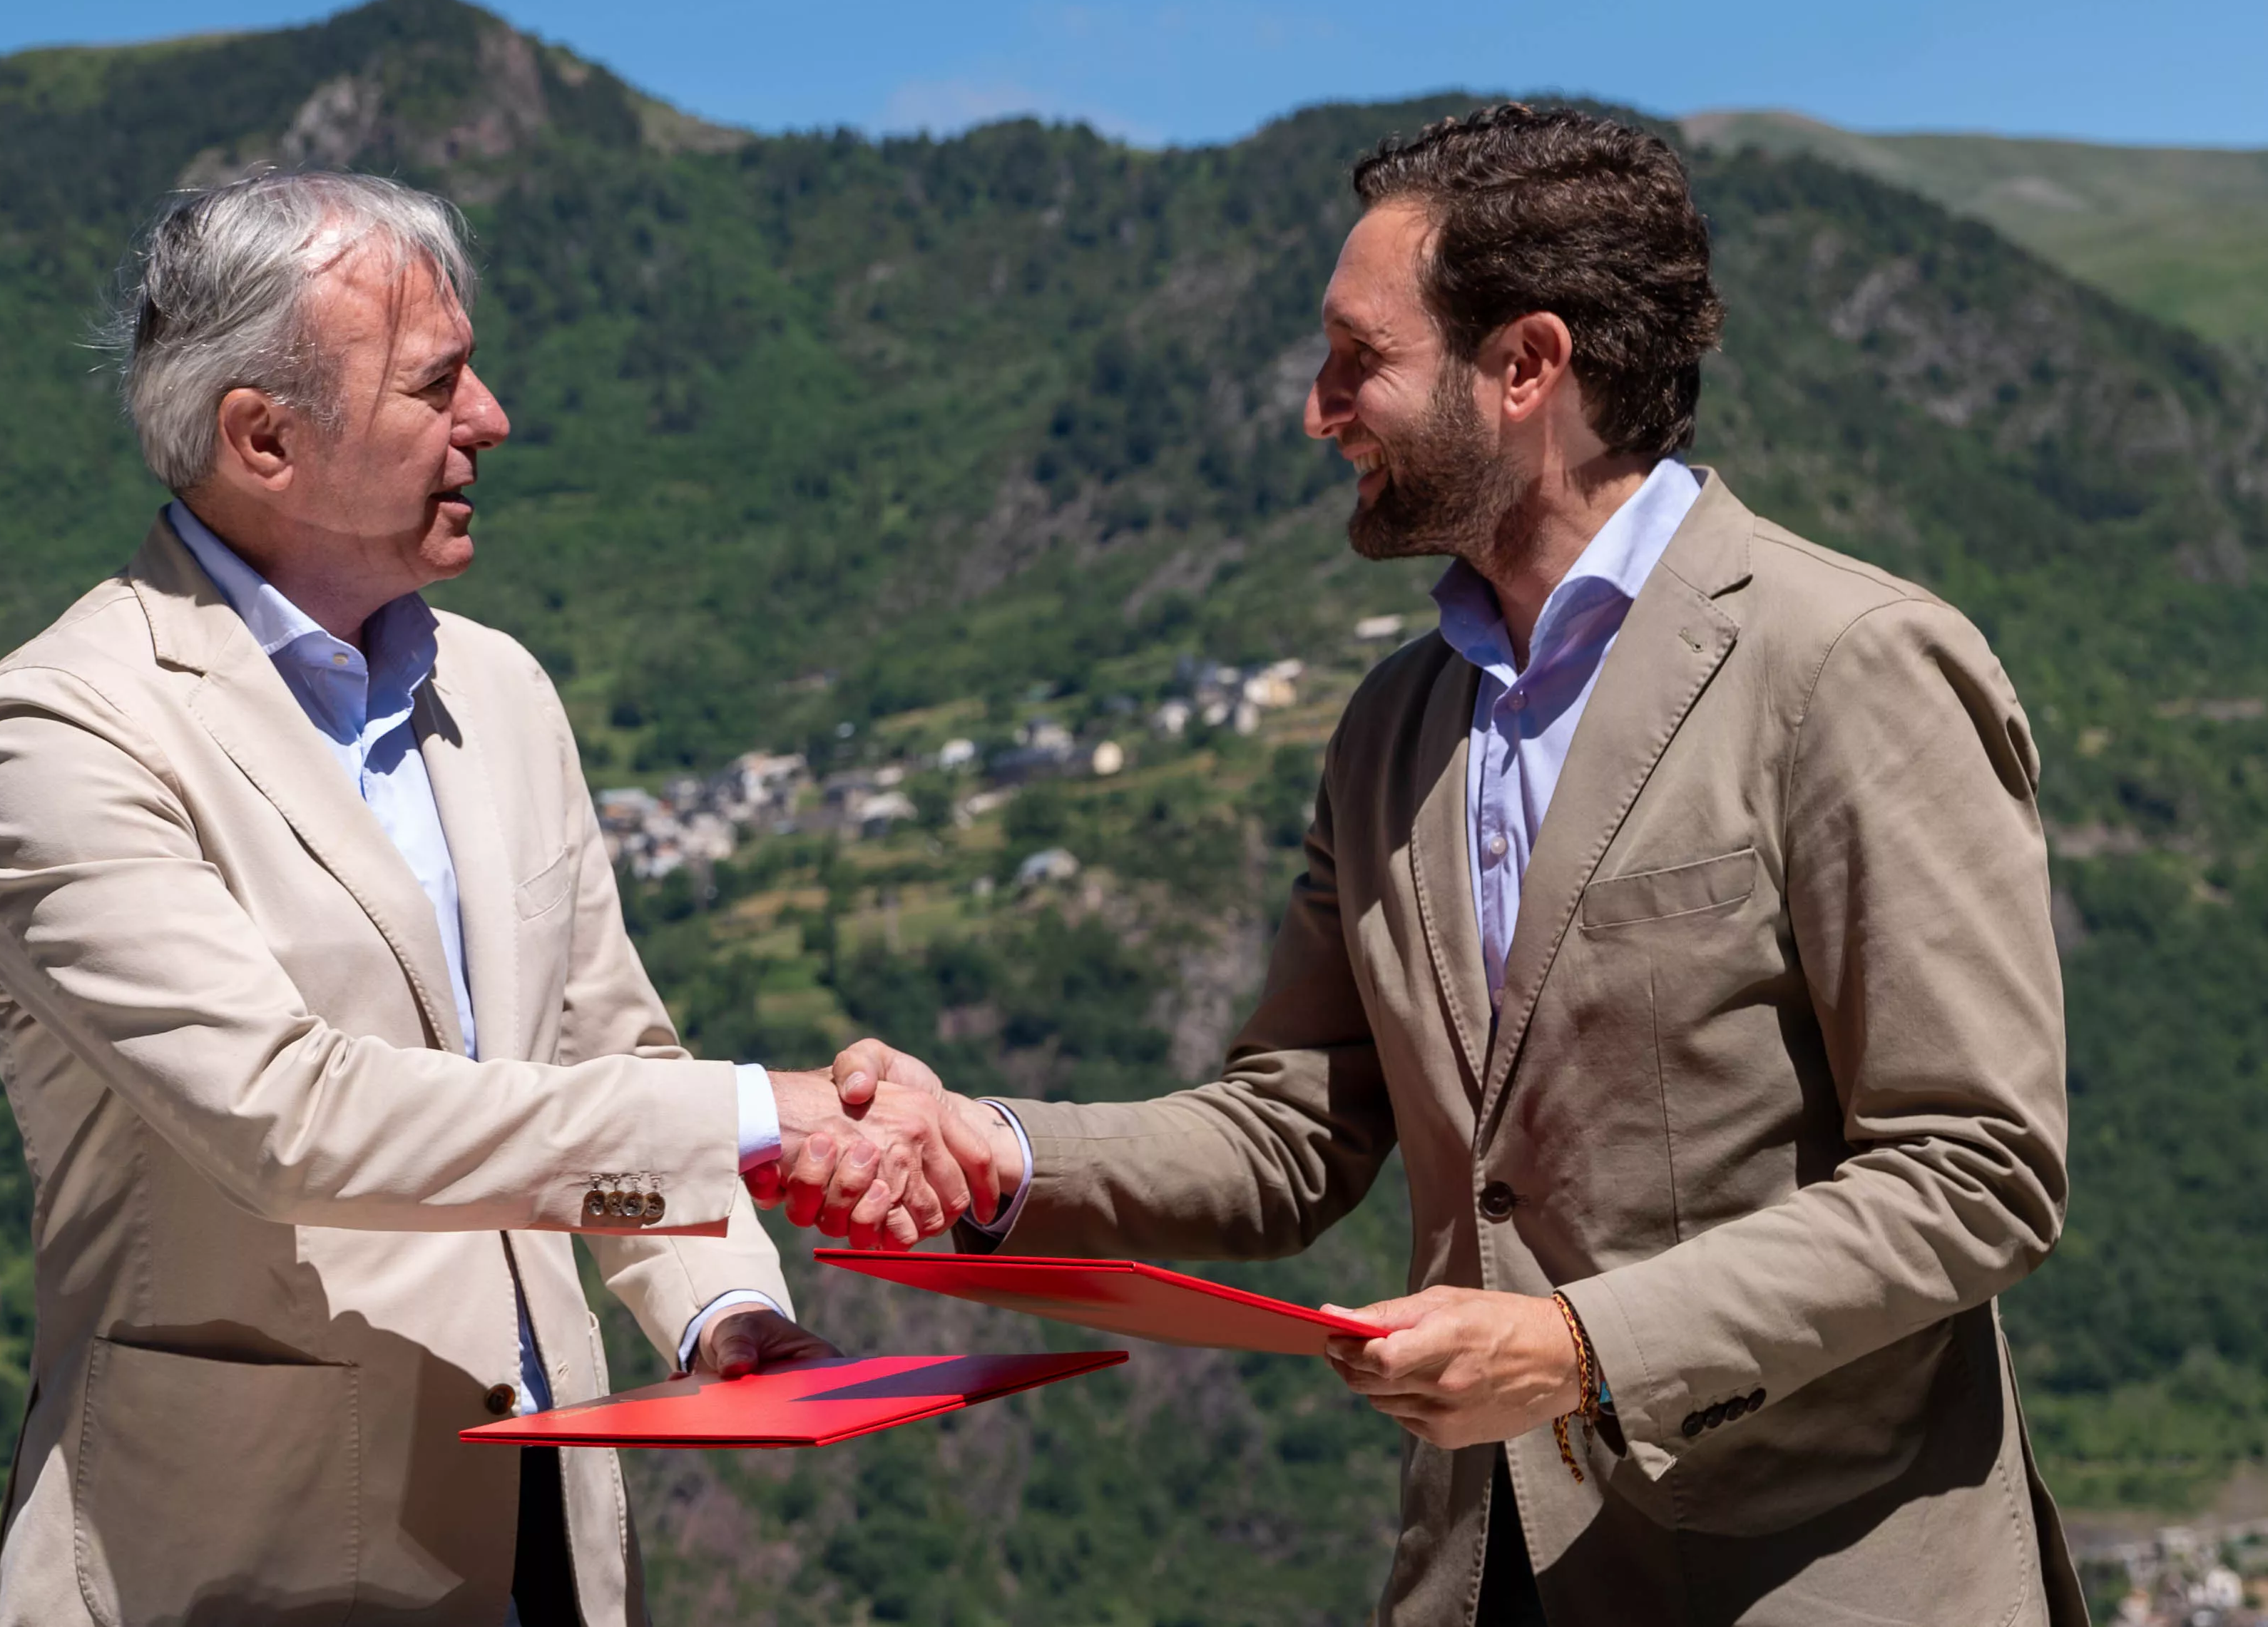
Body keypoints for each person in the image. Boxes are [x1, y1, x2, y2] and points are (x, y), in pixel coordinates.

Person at [847, 106, 2088, 1626]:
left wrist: (1579, 1343)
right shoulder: (1390, 727)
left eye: (1357, 359)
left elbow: (1977, 1173)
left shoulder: (1850, 665)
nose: (1319, 409)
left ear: (1526, 368)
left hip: (1820, 1585)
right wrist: (991, 1143)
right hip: (1477, 1579)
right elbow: (1297, 1127)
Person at [0, 170, 986, 1627]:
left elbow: (595, 1073)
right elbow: (291, 1115)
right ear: (265, 437)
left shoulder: (498, 689)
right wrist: (767, 1112)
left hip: (544, 1549)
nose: (491, 417)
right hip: (225, 1571)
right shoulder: (66, 730)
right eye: (438, 383)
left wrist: (715, 1304)